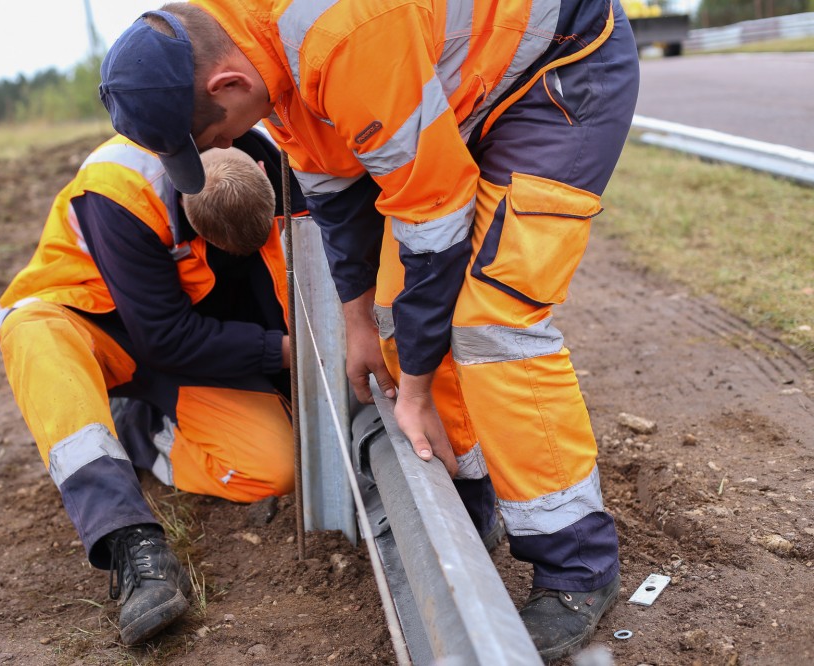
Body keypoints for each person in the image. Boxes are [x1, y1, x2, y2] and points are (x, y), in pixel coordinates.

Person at [98, 0, 641, 660]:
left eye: (211, 136)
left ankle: (576, 565)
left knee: (492, 318)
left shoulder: (338, 34)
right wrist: (359, 325)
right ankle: (470, 498)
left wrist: (412, 391)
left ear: (227, 85)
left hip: (554, 71)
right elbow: (337, 193)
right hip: (458, 95)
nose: (216, 149)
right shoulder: (252, 44)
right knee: (394, 314)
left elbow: (434, 222)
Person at [0, 128, 305, 645]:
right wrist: (278, 352)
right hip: (98, 328)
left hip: (192, 341)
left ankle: (139, 428)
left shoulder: (283, 162)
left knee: (277, 467)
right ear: (185, 201)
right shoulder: (119, 189)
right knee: (32, 332)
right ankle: (131, 542)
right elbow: (163, 338)